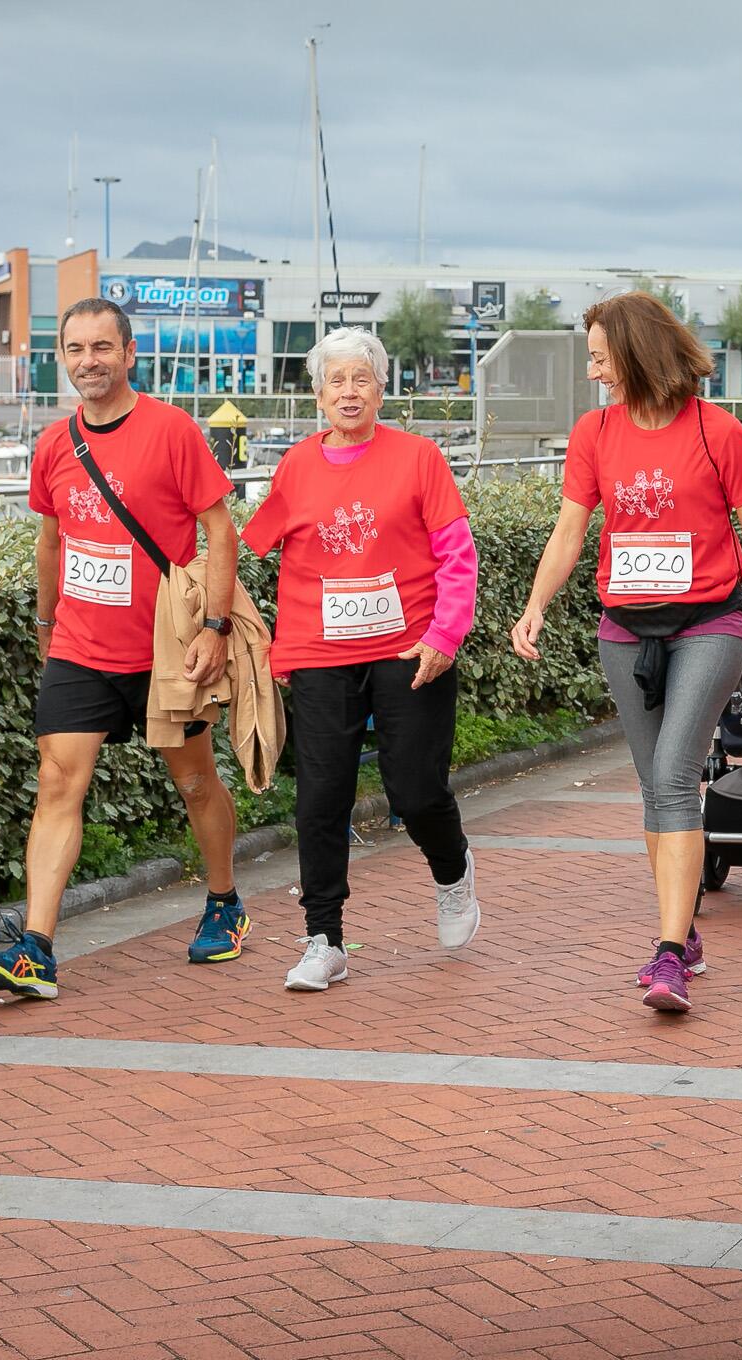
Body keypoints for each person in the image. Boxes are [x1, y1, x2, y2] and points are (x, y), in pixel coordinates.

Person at [512, 292, 742, 1014]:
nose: (594, 371)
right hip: (624, 631)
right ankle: (686, 929)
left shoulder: (716, 430)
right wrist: (535, 606)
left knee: (673, 776)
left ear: (635, 352)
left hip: (709, 625)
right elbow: (570, 533)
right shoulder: (595, 432)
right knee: (656, 787)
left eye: (601, 357)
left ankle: (668, 955)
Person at [0, 298, 245, 1000]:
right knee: (58, 784)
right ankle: (36, 950)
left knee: (195, 782)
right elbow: (52, 540)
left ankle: (224, 902)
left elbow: (221, 532)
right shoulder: (55, 443)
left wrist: (214, 629)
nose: (89, 361)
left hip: (164, 651)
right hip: (81, 647)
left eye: (102, 347)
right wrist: (46, 625)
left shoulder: (173, 432)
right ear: (62, 358)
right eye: (75, 349)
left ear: (128, 353)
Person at [238, 327, 482, 994]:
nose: (349, 391)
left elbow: (459, 557)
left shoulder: (419, 459)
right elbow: (247, 544)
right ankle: (325, 939)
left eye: (361, 379)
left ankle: (453, 869)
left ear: (380, 390)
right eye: (335, 381)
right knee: (321, 795)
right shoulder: (295, 467)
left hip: (410, 648)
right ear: (318, 396)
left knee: (414, 790)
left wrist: (444, 635)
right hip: (319, 652)